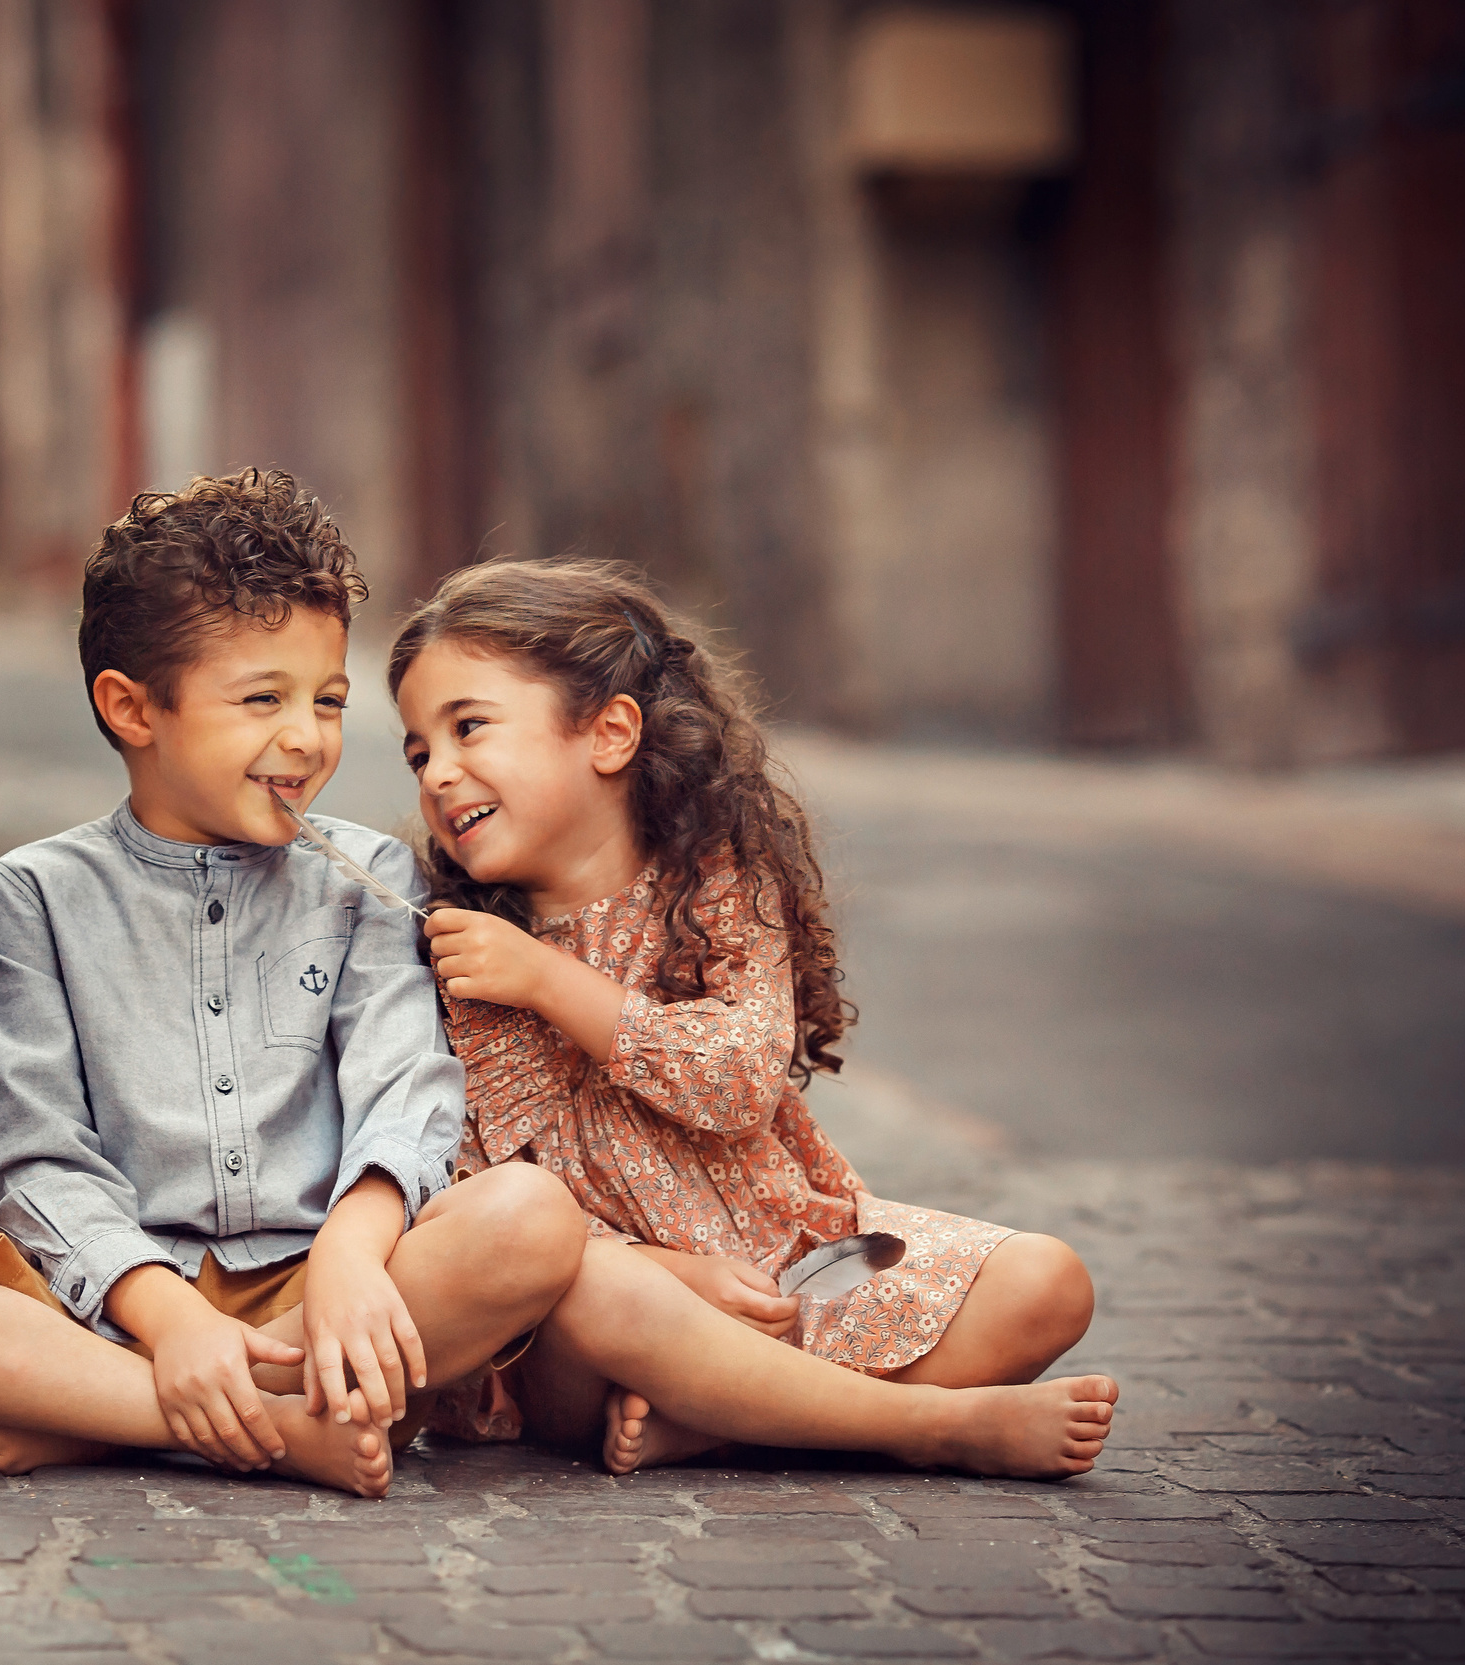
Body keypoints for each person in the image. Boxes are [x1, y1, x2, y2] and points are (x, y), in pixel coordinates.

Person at [0, 472, 586, 1499]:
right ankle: (248, 1424)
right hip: (108, 1300)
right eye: (262, 700)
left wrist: (348, 1254)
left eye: (328, 701)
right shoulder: (33, 899)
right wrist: (171, 1321)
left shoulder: (370, 878)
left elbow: (404, 1086)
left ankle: (102, 1414)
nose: (307, 736)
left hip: (324, 1294)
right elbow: (39, 1163)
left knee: (530, 1218)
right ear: (131, 707)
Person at [393, 559, 1119, 1479]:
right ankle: (924, 1426)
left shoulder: (717, 880)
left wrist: (552, 981)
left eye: (468, 727)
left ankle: (727, 1420)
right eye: (418, 750)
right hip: (607, 1323)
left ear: (610, 732)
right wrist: (676, 1278)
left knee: (1047, 1280)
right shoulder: (468, 943)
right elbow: (481, 1185)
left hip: (786, 1266)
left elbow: (738, 1080)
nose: (438, 772)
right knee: (592, 1294)